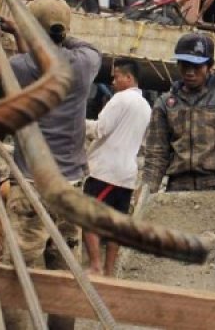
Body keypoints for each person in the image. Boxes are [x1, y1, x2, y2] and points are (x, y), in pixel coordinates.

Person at [0, 0, 101, 330]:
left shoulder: (17, 68)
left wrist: (25, 31)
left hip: (31, 185)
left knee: (17, 273)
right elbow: (74, 44)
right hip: (70, 186)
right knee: (65, 273)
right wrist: (54, 30)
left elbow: (27, 60)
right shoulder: (86, 64)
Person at [141, 32, 215, 207]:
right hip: (178, 188)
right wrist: (146, 191)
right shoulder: (166, 103)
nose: (190, 72)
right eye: (185, 65)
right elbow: (156, 153)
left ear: (210, 67)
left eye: (197, 66)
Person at [82, 58, 151, 276]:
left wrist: (76, 122)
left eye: (116, 76)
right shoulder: (146, 106)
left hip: (105, 171)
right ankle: (110, 272)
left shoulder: (120, 99)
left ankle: (95, 265)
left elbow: (99, 130)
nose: (113, 81)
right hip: (127, 174)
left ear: (128, 78)